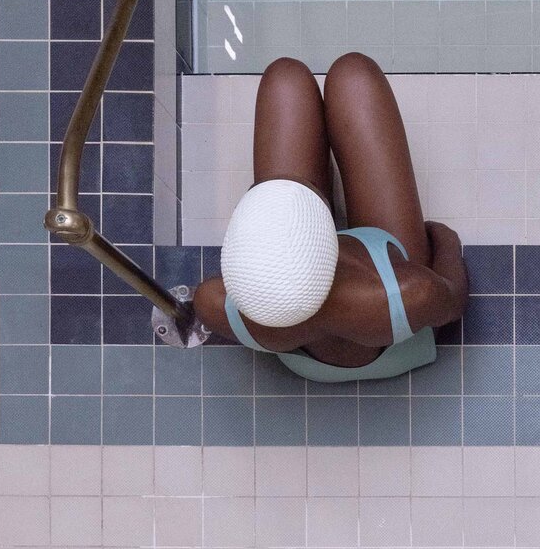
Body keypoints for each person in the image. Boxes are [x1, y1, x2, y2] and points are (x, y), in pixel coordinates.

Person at [191, 53, 469, 381]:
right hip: (387, 324)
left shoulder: (213, 301)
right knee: (353, 73)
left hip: (299, 345)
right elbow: (453, 301)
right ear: (328, 229)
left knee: (284, 76)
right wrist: (444, 238)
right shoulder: (409, 292)